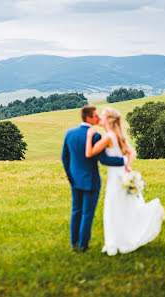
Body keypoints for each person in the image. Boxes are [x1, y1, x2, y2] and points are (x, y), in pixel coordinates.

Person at [85, 107, 165, 256]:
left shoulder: (108, 137)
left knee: (113, 208)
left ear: (108, 120)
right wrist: (127, 165)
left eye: (102, 115)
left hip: (115, 179)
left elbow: (90, 152)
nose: (100, 118)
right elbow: (132, 152)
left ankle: (116, 241)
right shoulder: (117, 135)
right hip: (122, 175)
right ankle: (121, 238)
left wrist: (89, 135)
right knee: (126, 207)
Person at [62, 106, 126, 252]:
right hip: (91, 181)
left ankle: (74, 244)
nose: (98, 118)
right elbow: (103, 159)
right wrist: (123, 160)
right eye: (96, 116)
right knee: (87, 214)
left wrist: (70, 176)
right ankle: (83, 246)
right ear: (89, 118)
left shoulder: (70, 133)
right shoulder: (95, 136)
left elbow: (65, 157)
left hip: (74, 180)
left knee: (76, 211)